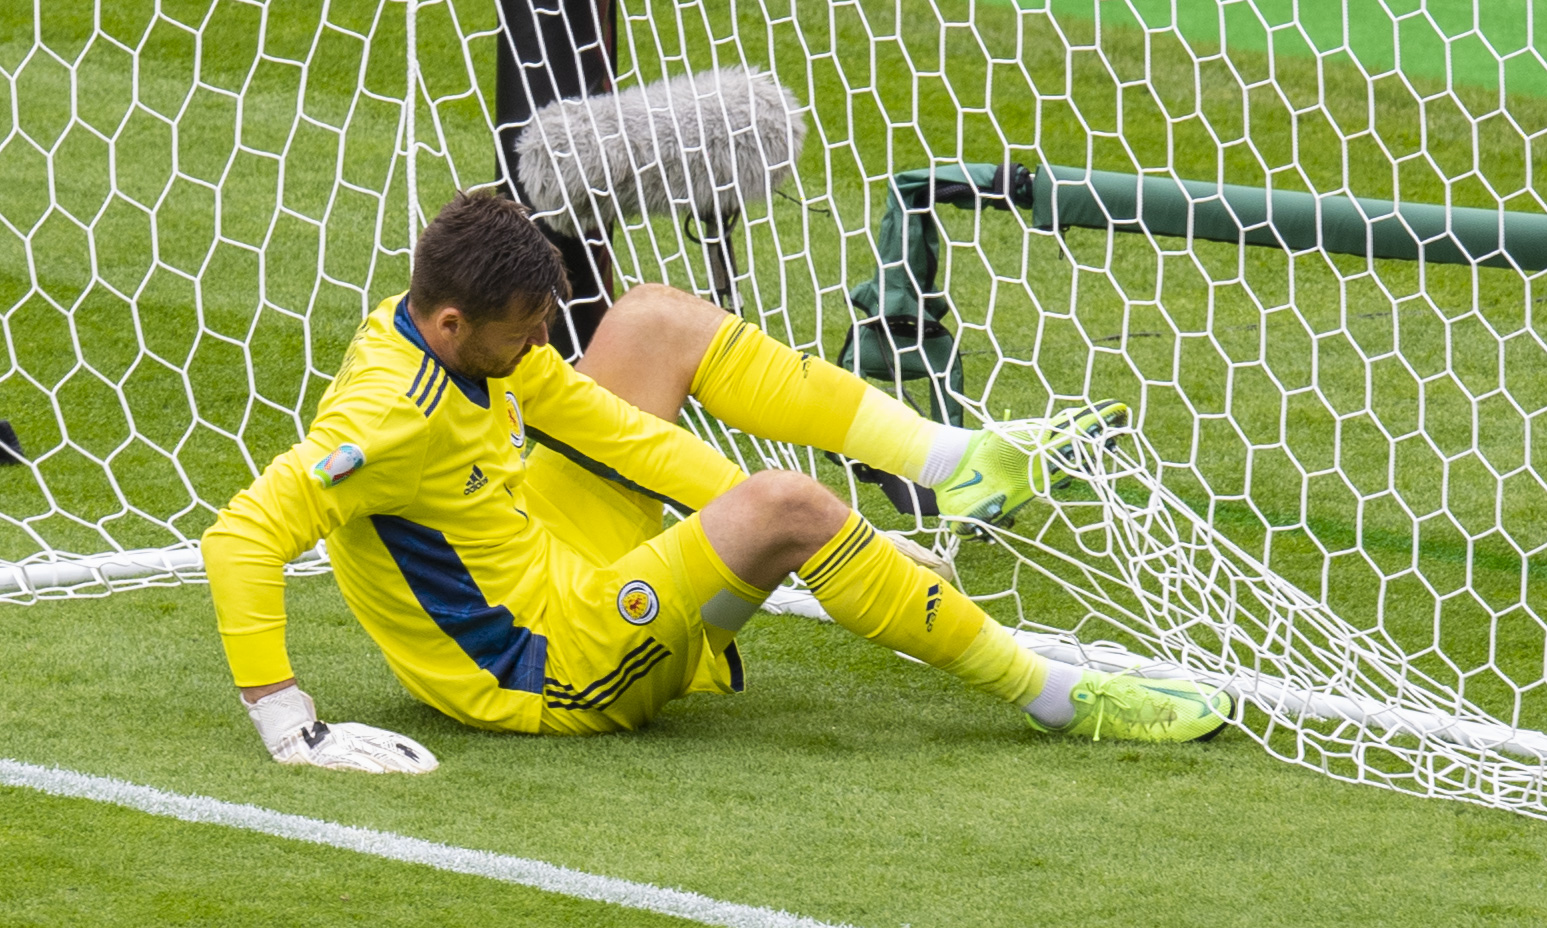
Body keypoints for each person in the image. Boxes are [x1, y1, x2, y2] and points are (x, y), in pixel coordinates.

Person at [204, 191, 1233, 773]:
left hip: (557, 558)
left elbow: (615, 429)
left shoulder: (445, 329)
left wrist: (799, 533)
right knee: (785, 503)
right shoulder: (386, 420)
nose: (540, 349)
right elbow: (241, 539)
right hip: (542, 665)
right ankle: (1056, 696)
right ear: (450, 325)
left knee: (650, 321)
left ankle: (944, 459)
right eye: (526, 333)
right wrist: (290, 726)